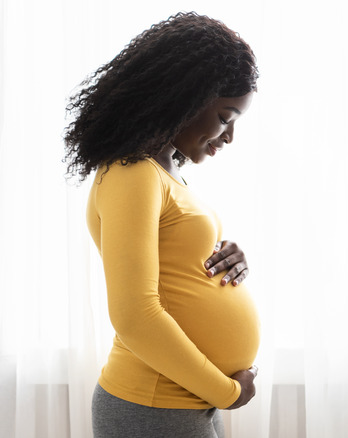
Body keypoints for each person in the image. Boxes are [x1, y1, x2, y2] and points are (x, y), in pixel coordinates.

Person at [63, 12, 260, 438]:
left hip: (182, 399)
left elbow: (174, 266)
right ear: (185, 98)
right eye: (226, 117)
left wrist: (229, 258)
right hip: (154, 405)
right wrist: (225, 391)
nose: (229, 137)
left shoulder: (164, 171)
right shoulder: (131, 171)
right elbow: (134, 315)